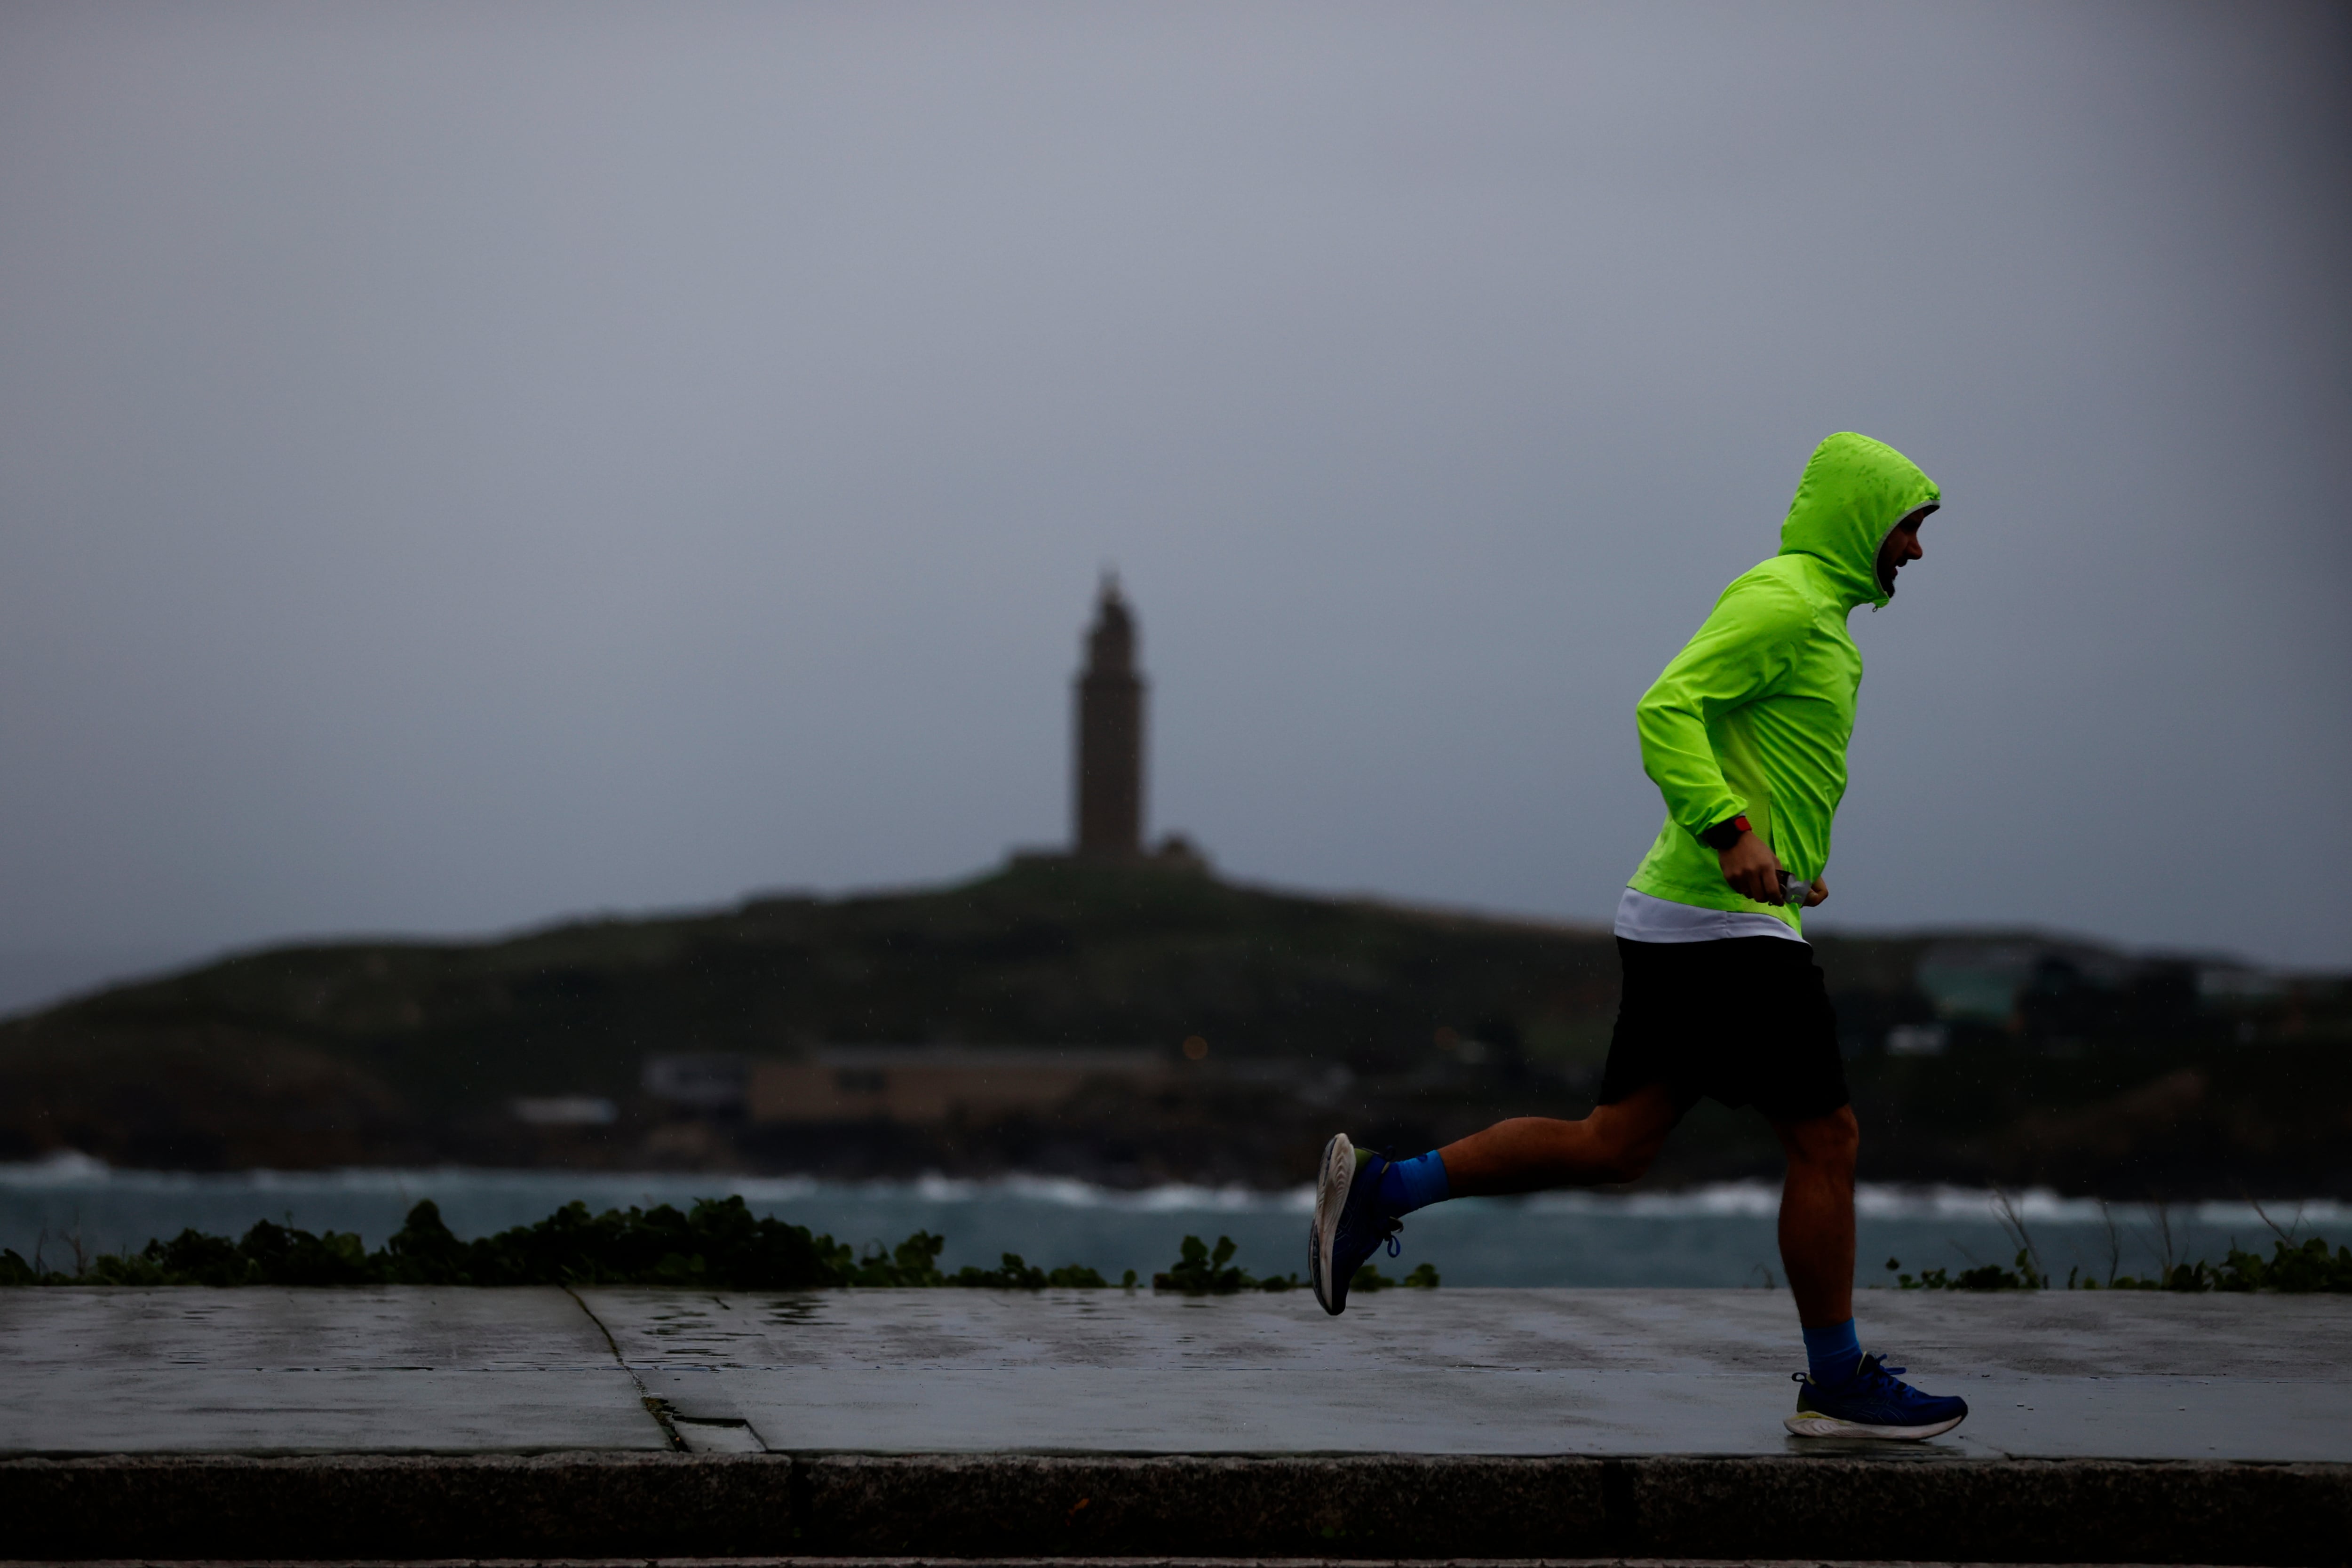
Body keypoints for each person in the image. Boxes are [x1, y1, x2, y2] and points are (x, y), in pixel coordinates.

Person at [1309, 431, 1968, 1441]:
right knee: (1826, 1138)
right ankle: (1834, 1381)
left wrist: (1781, 855)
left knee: (1613, 1145)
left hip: (1707, 916)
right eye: (1908, 527)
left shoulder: (1821, 618)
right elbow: (1666, 707)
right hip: (1721, 927)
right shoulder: (1783, 599)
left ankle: (1384, 1188)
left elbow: (1749, 746)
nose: (1916, 551)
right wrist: (1731, 831)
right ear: (1861, 516)